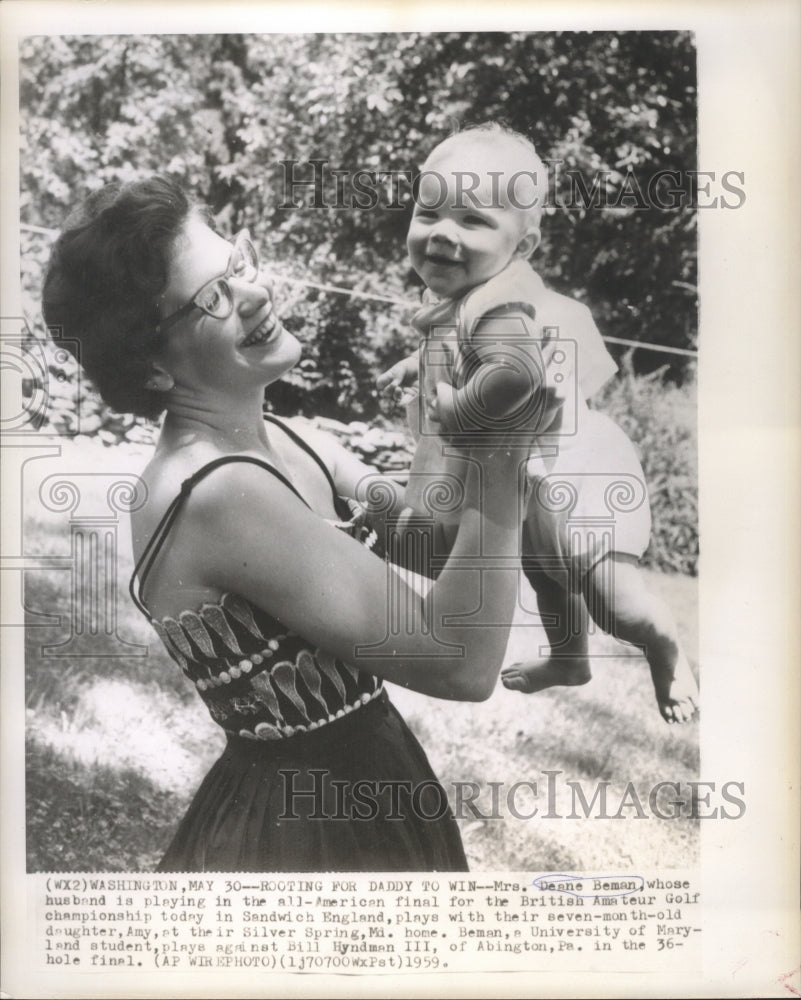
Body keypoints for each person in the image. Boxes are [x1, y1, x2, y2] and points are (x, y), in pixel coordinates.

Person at [41, 174, 536, 873]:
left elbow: (436, 541)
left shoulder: (291, 441)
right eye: (214, 296)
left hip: (361, 797)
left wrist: (447, 376)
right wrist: (503, 453)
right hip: (304, 838)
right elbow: (459, 660)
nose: (256, 293)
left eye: (238, 264)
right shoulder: (219, 494)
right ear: (152, 367)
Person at [378, 124, 698, 725]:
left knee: (612, 601)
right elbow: (458, 347)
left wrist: (457, 408)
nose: (443, 233)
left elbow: (515, 376)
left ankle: (664, 644)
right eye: (429, 212)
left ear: (522, 248)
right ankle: (570, 660)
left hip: (576, 472)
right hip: (535, 469)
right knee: (544, 571)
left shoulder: (500, 303)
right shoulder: (472, 294)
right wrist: (417, 362)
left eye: (472, 221)